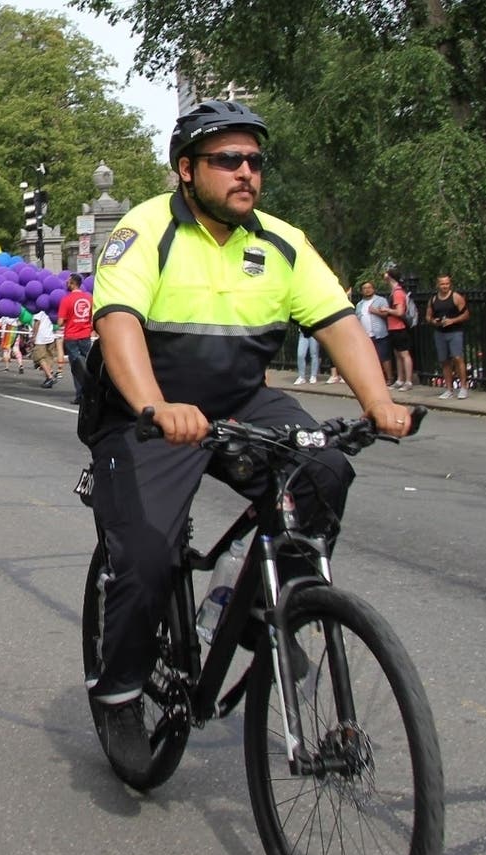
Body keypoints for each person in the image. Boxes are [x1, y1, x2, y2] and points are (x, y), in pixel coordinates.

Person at [81, 99, 409, 777]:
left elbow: (339, 321)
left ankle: (267, 608)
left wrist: (378, 402)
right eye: (228, 159)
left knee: (326, 470)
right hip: (145, 411)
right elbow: (117, 324)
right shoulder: (145, 232)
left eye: (255, 161)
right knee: (145, 551)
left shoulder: (282, 242)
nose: (246, 172)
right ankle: (118, 694)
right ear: (186, 170)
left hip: (239, 400)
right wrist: (154, 405)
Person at [425, 273, 470, 399]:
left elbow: (466, 315)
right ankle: (449, 388)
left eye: (447, 284)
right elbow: (428, 316)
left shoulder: (456, 297)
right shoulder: (433, 299)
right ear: (438, 285)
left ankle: (463, 387)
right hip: (440, 332)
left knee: (457, 358)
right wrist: (433, 321)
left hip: (455, 332)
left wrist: (453, 320)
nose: (445, 286)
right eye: (442, 284)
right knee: (444, 361)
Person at [57, 273, 94, 404]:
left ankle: (80, 395)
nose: (67, 284)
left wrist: (60, 322)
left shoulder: (66, 300)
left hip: (71, 337)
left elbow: (60, 322)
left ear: (73, 284)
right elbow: (92, 317)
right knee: (88, 365)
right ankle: (91, 393)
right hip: (85, 335)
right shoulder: (89, 298)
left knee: (77, 367)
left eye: (68, 282)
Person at [381, 268, 415, 390]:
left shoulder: (397, 293)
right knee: (397, 354)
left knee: (404, 354)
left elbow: (400, 312)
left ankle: (408, 381)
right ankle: (400, 379)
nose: (383, 275)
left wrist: (387, 310)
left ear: (390, 276)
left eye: (386, 273)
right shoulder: (394, 291)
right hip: (393, 327)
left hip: (399, 327)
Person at [355, 280, 393, 384]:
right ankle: (375, 379)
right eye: (364, 288)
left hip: (380, 333)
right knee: (370, 358)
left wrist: (375, 311)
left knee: (384, 356)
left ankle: (389, 378)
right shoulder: (359, 304)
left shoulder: (380, 300)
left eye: (369, 287)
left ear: (373, 289)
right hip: (366, 335)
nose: (367, 290)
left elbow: (386, 314)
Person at [30, 307, 59, 387]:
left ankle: (50, 377)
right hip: (50, 335)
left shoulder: (38, 309)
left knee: (39, 357)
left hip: (41, 336)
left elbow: (37, 322)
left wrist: (34, 336)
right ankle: (48, 377)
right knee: (49, 357)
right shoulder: (50, 308)